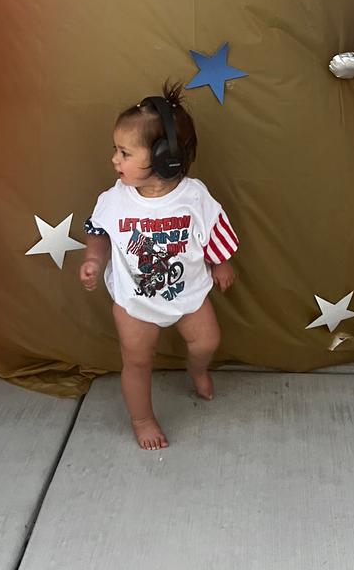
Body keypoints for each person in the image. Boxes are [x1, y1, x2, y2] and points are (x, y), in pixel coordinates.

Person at [79, 83, 238, 450]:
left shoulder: (194, 195)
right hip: (136, 302)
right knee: (137, 360)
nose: (114, 160)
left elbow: (212, 228)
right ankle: (142, 418)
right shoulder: (114, 200)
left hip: (189, 292)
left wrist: (221, 262)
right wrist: (93, 258)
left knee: (207, 341)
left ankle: (196, 369)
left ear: (166, 157)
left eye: (124, 152)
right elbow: (98, 232)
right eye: (116, 151)